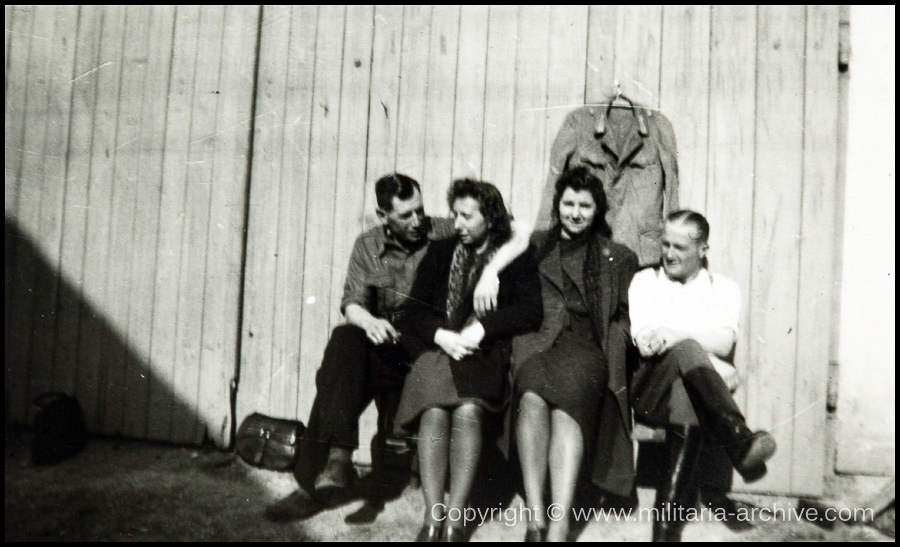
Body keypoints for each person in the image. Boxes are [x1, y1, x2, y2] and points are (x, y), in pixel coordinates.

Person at [265, 174, 529, 521]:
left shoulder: (444, 228)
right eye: (405, 216)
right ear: (382, 215)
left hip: (429, 344)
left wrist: (492, 269)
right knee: (343, 347)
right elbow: (351, 302)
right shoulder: (368, 246)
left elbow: (518, 229)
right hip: (388, 342)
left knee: (338, 366)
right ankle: (332, 465)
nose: (417, 220)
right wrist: (369, 322)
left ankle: (335, 461)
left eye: (419, 210)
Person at [395, 179, 542, 542]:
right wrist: (440, 335)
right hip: (442, 351)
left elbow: (530, 311)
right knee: (433, 410)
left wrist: (484, 329)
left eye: (466, 216)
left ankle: (456, 523)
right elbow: (412, 311)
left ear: (490, 218)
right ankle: (433, 520)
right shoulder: (442, 252)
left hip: (484, 353)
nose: (457, 224)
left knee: (467, 412)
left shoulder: (512, 256)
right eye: (454, 215)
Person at [628, 210, 777, 542]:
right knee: (688, 351)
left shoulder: (722, 288)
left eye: (679, 247)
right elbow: (645, 342)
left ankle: (665, 535)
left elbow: (724, 341)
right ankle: (739, 440)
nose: (669, 253)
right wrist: (692, 346)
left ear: (703, 250)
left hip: (692, 394)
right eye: (665, 244)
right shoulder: (645, 282)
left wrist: (673, 333)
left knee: (688, 391)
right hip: (649, 390)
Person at [512, 167, 639, 542]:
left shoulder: (617, 256)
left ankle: (560, 523)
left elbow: (629, 316)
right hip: (537, 344)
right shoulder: (533, 246)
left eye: (585, 205)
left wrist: (618, 341)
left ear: (597, 210)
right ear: (558, 205)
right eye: (568, 203)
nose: (575, 213)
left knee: (568, 408)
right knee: (532, 397)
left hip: (588, 348)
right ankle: (535, 520)